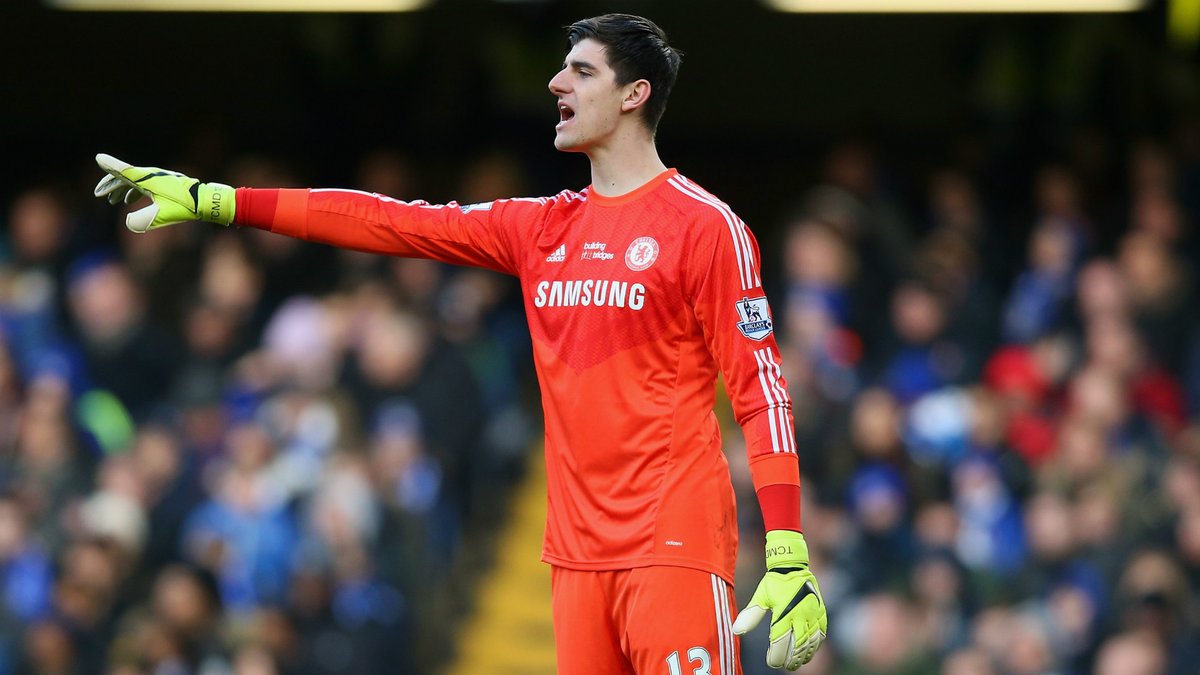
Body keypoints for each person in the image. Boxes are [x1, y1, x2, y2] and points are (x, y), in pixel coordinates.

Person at [93, 13, 827, 673]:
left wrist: (787, 545)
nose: (556, 83)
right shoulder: (541, 227)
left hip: (672, 546)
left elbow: (761, 389)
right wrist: (223, 202)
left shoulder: (704, 228)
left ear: (635, 94)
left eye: (581, 71)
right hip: (574, 555)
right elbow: (388, 222)